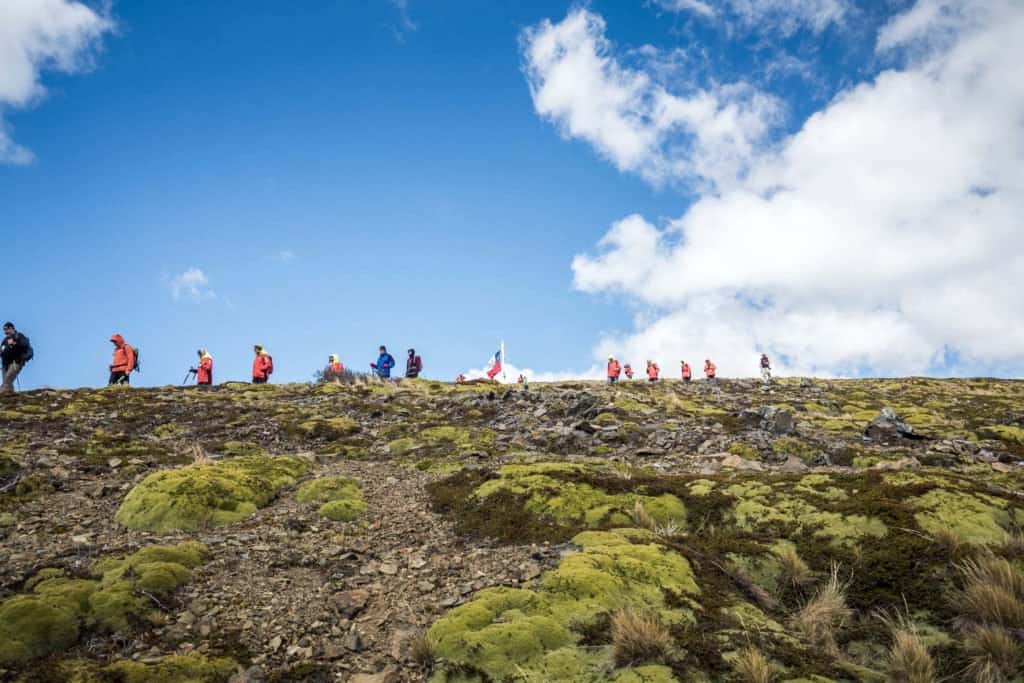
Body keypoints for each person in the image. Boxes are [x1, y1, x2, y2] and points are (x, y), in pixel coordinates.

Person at [1, 322, 33, 393]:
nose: (5, 331)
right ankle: (10, 396)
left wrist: (14, 343)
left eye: (6, 329)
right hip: (5, 365)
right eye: (4, 330)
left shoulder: (18, 336)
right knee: (7, 383)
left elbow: (24, 345)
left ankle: (2, 395)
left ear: (11, 328)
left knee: (7, 380)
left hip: (16, 362)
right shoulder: (4, 341)